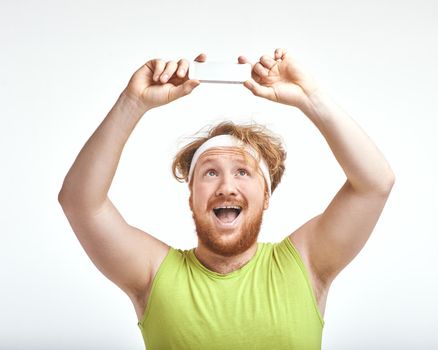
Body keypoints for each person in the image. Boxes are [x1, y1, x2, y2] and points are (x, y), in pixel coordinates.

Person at [58, 48, 395, 349]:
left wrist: (311, 98)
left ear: (265, 196)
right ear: (191, 197)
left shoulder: (307, 263)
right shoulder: (153, 273)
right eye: (210, 172)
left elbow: (375, 183)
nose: (226, 186)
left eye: (243, 172)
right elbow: (80, 202)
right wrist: (132, 103)